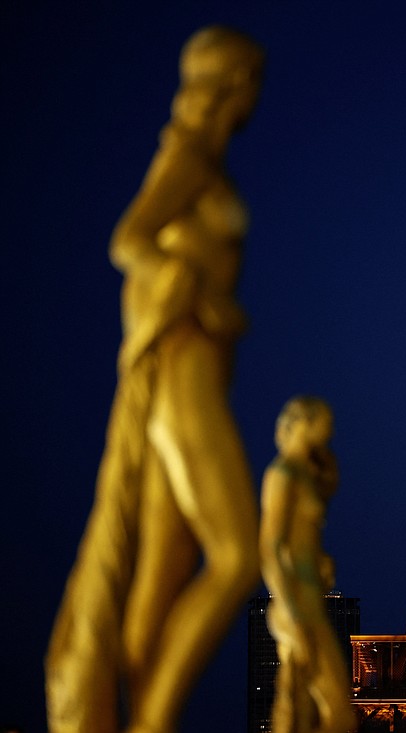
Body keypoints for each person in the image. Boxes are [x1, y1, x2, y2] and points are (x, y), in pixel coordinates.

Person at [46, 26, 264, 733]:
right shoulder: (192, 154)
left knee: (164, 570)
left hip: (197, 364)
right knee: (237, 552)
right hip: (186, 367)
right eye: (252, 79)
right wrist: (198, 296)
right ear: (233, 84)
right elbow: (129, 238)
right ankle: (156, 719)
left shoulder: (205, 158)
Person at [261, 397, 356, 733]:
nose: (330, 428)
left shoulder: (304, 474)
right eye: (325, 420)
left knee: (299, 711)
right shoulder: (282, 473)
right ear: (305, 421)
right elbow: (270, 549)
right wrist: (291, 611)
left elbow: (304, 535)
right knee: (337, 714)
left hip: (308, 599)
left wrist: (321, 559)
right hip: (295, 602)